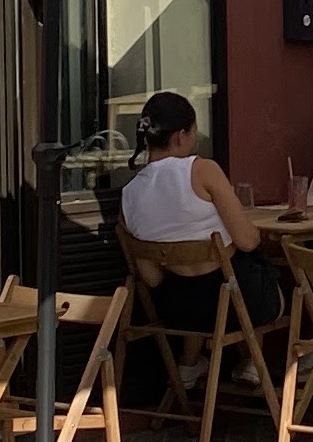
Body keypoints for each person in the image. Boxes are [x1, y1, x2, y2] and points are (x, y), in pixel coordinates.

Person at [119, 92, 283, 331]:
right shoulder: (202, 170)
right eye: (194, 131)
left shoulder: (129, 194)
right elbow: (247, 241)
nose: (196, 139)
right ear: (180, 135)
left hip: (177, 313)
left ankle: (195, 356)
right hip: (234, 305)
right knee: (267, 268)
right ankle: (254, 356)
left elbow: (152, 278)